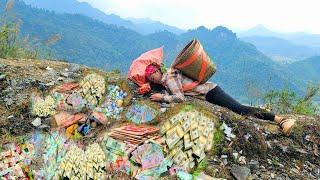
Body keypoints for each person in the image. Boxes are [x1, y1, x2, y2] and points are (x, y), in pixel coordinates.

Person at [144, 64, 296, 135]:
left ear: (158, 71)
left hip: (211, 92)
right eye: (149, 77)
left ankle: (280, 119)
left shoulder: (169, 77)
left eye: (153, 74)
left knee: (240, 110)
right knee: (239, 109)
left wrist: (161, 97)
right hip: (209, 93)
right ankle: (274, 116)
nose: (152, 78)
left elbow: (179, 98)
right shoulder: (165, 80)